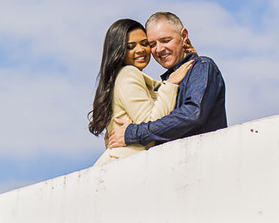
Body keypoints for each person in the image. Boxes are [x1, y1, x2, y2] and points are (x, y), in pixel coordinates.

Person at [104, 11, 227, 151]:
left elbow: (193, 114)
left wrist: (131, 133)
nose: (159, 49)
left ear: (184, 36)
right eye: (152, 44)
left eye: (165, 40)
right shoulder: (167, 83)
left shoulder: (202, 67)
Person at [89, 18, 194, 166]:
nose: (140, 50)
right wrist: (170, 84)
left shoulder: (127, 78)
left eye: (145, 44)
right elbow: (150, 124)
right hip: (126, 162)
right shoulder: (128, 73)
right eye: (130, 46)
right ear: (119, 50)